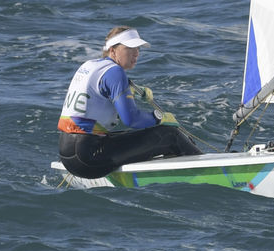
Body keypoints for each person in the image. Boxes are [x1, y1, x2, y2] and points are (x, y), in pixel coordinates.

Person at [57, 24, 201, 178]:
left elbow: (98, 92)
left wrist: (132, 90)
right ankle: (202, 167)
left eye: (138, 49)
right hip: (89, 158)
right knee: (170, 135)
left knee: (147, 134)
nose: (136, 54)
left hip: (68, 154)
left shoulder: (89, 65)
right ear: (112, 50)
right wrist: (159, 117)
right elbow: (132, 119)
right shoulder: (115, 72)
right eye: (130, 49)